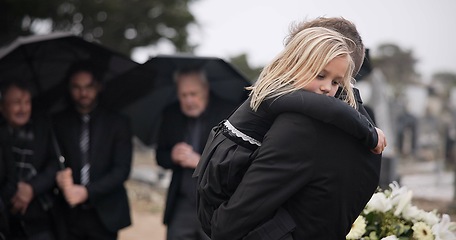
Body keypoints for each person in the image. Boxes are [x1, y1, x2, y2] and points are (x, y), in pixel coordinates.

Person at [194, 17, 386, 239]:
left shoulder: (302, 123)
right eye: (320, 75)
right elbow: (332, 110)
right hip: (221, 178)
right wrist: (369, 132)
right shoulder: (279, 94)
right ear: (295, 63)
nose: (327, 89)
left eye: (336, 82)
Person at [155, 67, 238, 240]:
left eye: (193, 94)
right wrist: (172, 155)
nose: (189, 100)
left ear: (206, 89)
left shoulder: (230, 112)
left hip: (216, 203)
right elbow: (160, 156)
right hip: (182, 203)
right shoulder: (171, 113)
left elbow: (237, 160)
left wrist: (201, 162)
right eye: (183, 95)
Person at [53, 61, 132, 240]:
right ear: (69, 88)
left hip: (104, 212)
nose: (83, 93)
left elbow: (122, 170)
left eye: (88, 86)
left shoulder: (118, 123)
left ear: (98, 86)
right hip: (68, 213)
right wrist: (58, 177)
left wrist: (87, 191)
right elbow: (52, 161)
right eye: (77, 87)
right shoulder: (58, 122)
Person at [0, 79, 61, 239]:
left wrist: (31, 188)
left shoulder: (43, 128)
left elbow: (55, 164)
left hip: (39, 217)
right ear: (2, 106)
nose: (23, 109)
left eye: (27, 102)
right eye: (17, 103)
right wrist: (12, 192)